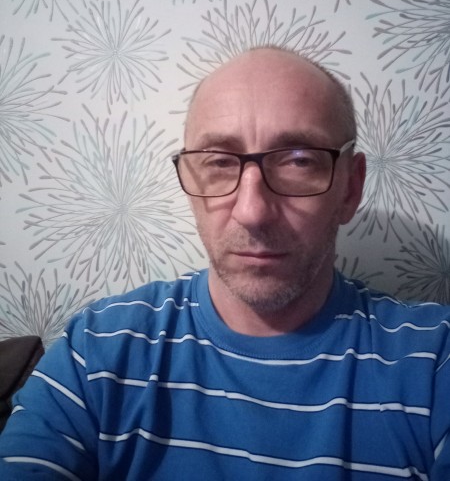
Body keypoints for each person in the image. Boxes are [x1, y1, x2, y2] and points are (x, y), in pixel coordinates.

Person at [0, 46, 449, 480]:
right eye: (218, 162)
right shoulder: (98, 349)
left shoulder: (433, 361)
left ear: (350, 188)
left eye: (298, 161)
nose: (252, 212)